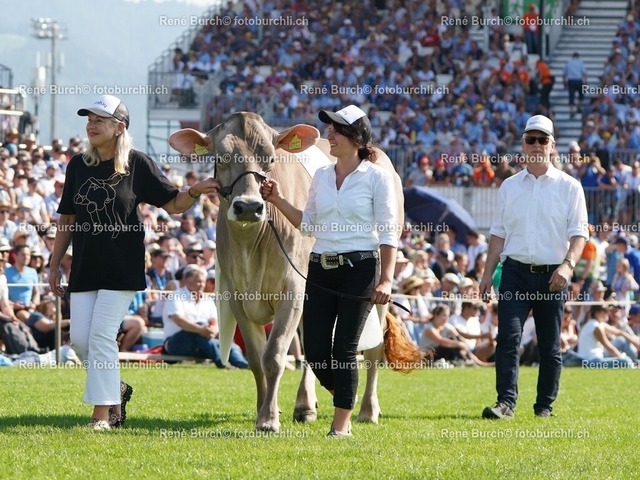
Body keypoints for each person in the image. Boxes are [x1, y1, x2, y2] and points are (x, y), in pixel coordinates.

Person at [48, 95, 220, 431]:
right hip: (84, 267)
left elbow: (172, 204)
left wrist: (196, 189)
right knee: (80, 341)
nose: (91, 125)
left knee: (100, 336)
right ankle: (116, 389)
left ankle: (101, 416)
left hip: (122, 267)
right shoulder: (77, 165)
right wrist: (55, 264)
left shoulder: (137, 164)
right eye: (89, 119)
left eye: (99, 120)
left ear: (119, 127)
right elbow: (67, 218)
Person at [260, 104, 398, 437]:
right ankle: (346, 396)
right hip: (320, 267)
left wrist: (386, 280)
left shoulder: (377, 177)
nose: (329, 136)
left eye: (336, 130)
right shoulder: (321, 175)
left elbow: (389, 232)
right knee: (316, 351)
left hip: (360, 269)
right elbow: (308, 224)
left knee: (344, 349)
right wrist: (277, 200)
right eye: (330, 129)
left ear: (356, 137)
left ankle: (340, 427)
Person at [479, 115, 588, 419]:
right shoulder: (509, 187)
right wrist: (486, 275)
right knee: (508, 338)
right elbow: (498, 234)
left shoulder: (570, 187)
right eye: (531, 139)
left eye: (543, 139)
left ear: (552, 145)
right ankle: (505, 403)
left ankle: (544, 407)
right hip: (514, 273)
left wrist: (567, 265)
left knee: (550, 346)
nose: (537, 145)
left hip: (553, 275)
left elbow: (580, 233)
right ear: (523, 144)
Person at [162, 265, 248, 368]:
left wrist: (213, 330)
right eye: (198, 281)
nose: (201, 285)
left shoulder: (207, 300)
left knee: (228, 343)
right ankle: (222, 363)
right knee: (201, 327)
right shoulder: (176, 296)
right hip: (174, 343)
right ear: (188, 281)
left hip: (203, 342)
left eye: (203, 282)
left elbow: (214, 321)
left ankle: (242, 364)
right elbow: (178, 320)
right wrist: (201, 329)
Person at [563, 52, 589, 118]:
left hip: (571, 81)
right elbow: (584, 73)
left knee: (571, 95)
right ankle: (579, 107)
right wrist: (586, 81)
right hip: (578, 80)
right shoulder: (580, 63)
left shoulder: (568, 63)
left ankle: (572, 110)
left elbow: (564, 74)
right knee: (581, 94)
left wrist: (564, 82)